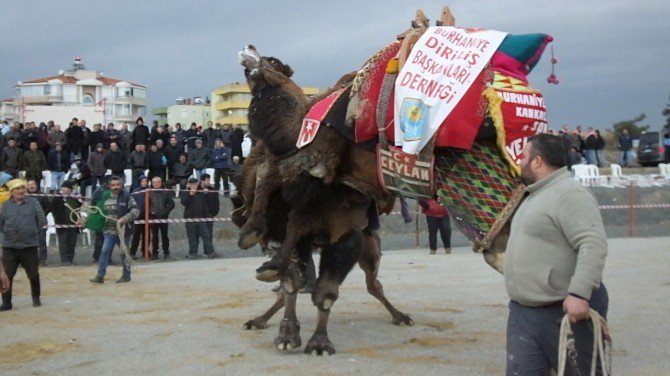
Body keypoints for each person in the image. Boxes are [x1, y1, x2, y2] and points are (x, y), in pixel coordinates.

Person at [505, 134, 608, 375]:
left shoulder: (569, 194)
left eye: (524, 156)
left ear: (538, 161)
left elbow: (592, 243)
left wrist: (579, 293)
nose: (519, 162)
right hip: (523, 312)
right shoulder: (536, 194)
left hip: (563, 312)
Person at [0, 179, 47, 311]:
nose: (21, 191)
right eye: (17, 189)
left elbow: (41, 220)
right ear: (11, 192)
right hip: (10, 246)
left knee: (33, 274)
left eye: (22, 188)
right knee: (7, 275)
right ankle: (6, 302)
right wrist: (9, 233)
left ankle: (36, 298)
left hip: (29, 246)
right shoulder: (4, 205)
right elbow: (1, 223)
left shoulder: (34, 203)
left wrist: (32, 232)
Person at [87, 176, 139, 283]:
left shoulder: (127, 196)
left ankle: (126, 275)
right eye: (113, 185)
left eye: (118, 184)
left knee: (124, 253)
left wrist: (125, 218)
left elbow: (136, 211)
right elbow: (96, 213)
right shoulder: (104, 197)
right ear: (109, 186)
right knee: (104, 251)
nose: (116, 187)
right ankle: (100, 276)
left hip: (123, 231)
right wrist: (85, 221)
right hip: (108, 230)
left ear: (121, 185)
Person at [180, 177, 216, 259]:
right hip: (190, 218)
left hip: (201, 218)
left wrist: (207, 193)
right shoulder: (185, 192)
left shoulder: (201, 191)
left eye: (195, 184)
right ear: (188, 185)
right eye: (191, 184)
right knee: (192, 237)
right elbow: (183, 202)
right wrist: (190, 195)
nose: (193, 186)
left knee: (206, 236)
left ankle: (210, 252)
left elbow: (208, 203)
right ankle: (192, 253)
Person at [49, 181, 81, 265]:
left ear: (70, 190)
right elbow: (52, 208)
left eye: (66, 187)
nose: (63, 189)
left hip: (74, 224)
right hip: (61, 223)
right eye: (62, 187)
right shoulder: (57, 197)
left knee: (72, 243)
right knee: (63, 243)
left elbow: (79, 209)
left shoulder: (74, 198)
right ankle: (65, 260)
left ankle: (70, 259)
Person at [149, 176, 175, 260]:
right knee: (154, 236)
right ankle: (155, 253)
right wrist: (150, 212)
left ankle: (166, 253)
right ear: (152, 183)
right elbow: (146, 204)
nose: (156, 184)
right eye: (154, 183)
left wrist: (165, 212)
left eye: (157, 182)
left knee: (164, 236)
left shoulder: (166, 192)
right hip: (153, 217)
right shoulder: (149, 192)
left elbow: (171, 204)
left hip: (164, 217)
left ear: (161, 183)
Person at [26, 179, 50, 266]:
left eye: (33, 184)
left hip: (41, 222)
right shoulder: (24, 196)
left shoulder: (42, 195)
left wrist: (42, 215)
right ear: (26, 186)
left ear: (36, 185)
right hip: (27, 222)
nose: (31, 186)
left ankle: (42, 260)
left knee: (41, 242)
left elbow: (48, 207)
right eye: (29, 185)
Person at [129, 176, 149, 259]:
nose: (144, 182)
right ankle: (132, 252)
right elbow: (132, 203)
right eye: (142, 181)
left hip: (148, 216)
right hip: (138, 216)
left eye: (145, 181)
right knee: (136, 236)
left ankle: (145, 252)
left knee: (147, 235)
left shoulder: (150, 190)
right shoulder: (136, 191)